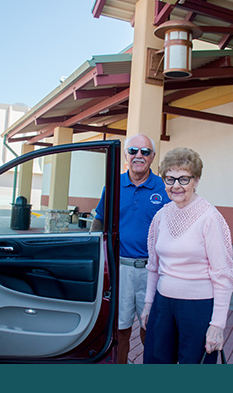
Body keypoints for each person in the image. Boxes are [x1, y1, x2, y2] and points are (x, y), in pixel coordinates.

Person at [140, 147, 233, 364]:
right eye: (170, 179)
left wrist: (217, 325)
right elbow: (154, 267)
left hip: (198, 307)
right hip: (163, 305)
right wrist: (148, 304)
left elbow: (223, 275)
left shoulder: (210, 218)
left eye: (183, 179)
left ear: (196, 180)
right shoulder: (161, 216)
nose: (176, 186)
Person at [91, 134, 170, 364]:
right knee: (121, 331)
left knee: (152, 331)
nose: (139, 155)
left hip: (153, 272)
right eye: (133, 150)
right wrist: (96, 254)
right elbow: (100, 221)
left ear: (152, 157)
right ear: (126, 155)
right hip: (121, 270)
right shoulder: (114, 186)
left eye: (145, 152)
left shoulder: (164, 188)